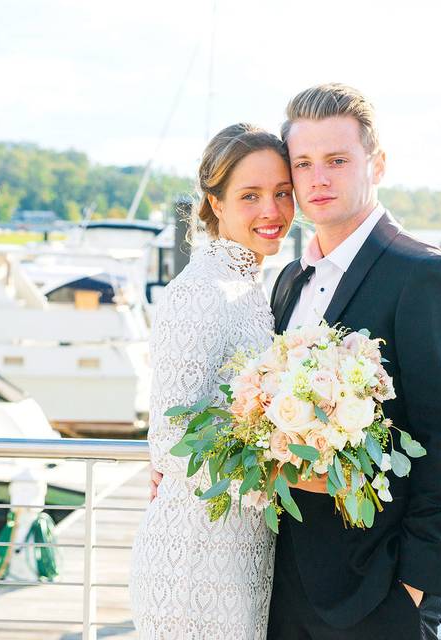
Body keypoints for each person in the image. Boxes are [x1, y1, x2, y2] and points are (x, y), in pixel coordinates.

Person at [265, 83, 441, 640]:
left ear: (377, 164)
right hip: (281, 583)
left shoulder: (425, 275)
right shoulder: (290, 282)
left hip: (379, 591)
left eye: (337, 160)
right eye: (304, 163)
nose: (318, 178)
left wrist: (413, 592)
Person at [129, 123, 296, 640]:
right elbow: (174, 442)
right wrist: (290, 466)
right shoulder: (200, 292)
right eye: (250, 195)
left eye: (282, 193)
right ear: (215, 203)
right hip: (194, 563)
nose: (271, 210)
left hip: (239, 547)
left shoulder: (247, 286)